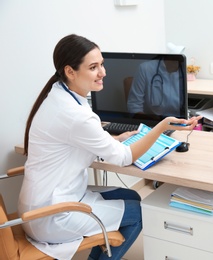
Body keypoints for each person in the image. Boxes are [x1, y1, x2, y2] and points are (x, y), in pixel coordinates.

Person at [19, 34, 201, 260]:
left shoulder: (58, 94)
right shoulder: (75, 114)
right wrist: (162, 126)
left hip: (42, 202)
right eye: (94, 67)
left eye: (102, 64)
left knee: (132, 196)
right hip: (51, 214)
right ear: (70, 71)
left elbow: (75, 140)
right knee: (139, 212)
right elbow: (124, 158)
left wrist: (114, 139)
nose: (103, 72)